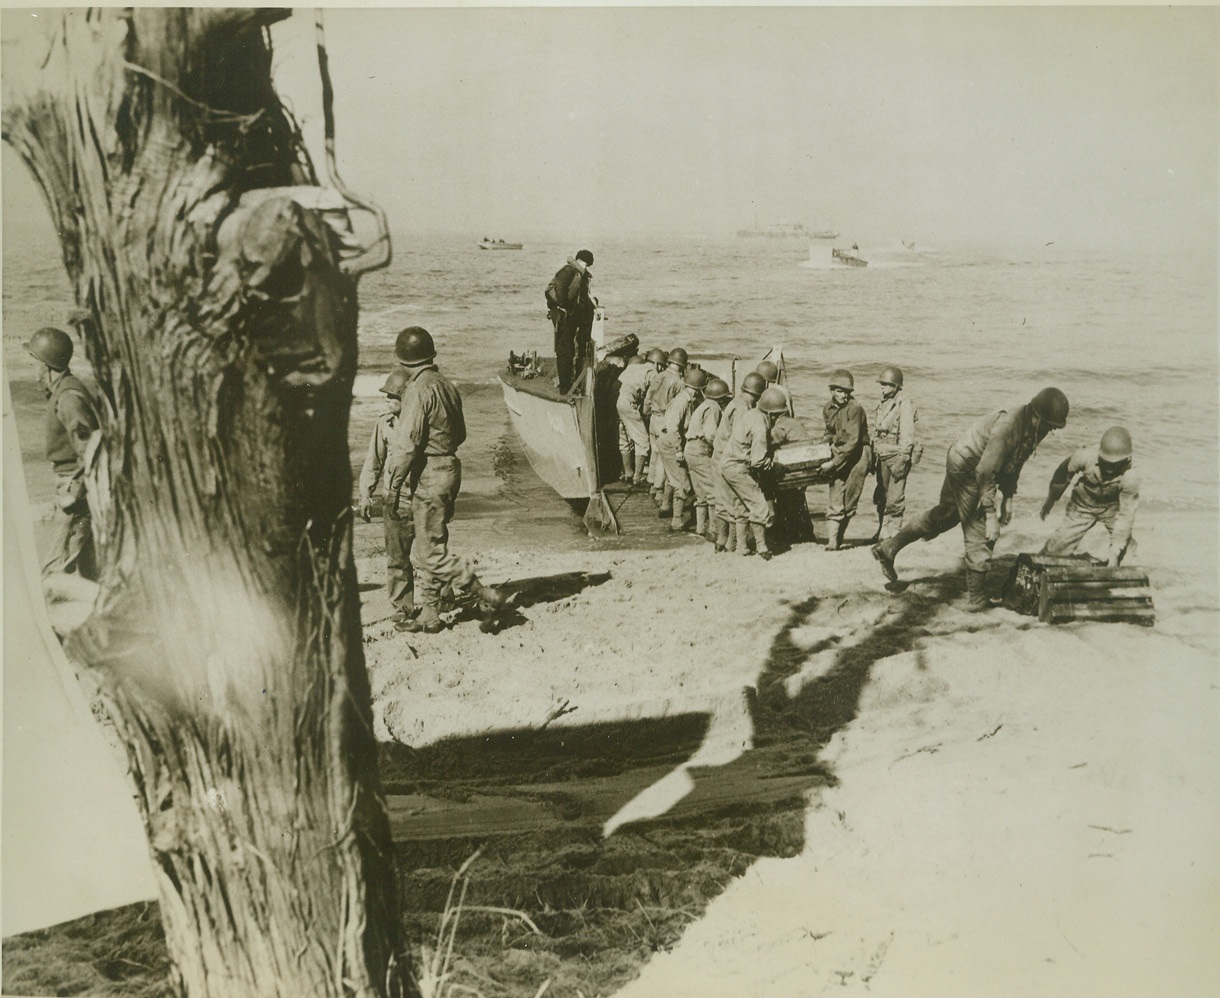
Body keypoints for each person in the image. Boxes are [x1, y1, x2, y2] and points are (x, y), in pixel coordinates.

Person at [872, 387, 1070, 611]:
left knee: (945, 516)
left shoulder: (1035, 427)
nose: (1051, 431)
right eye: (1050, 426)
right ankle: (976, 599)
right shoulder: (1009, 427)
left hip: (964, 458)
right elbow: (985, 472)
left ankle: (888, 548)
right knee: (981, 529)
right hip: (968, 466)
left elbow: (1015, 460)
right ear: (1037, 417)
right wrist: (990, 513)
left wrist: (1008, 497)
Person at [385, 326, 503, 633]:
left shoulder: (417, 389)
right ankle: (430, 613)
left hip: (430, 474)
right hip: (450, 467)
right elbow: (460, 433)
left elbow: (408, 443)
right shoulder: (447, 385)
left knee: (429, 551)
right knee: (431, 541)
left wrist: (393, 488)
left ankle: (483, 593)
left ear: (405, 361)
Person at [25, 326, 99, 580]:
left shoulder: (68, 397)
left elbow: (90, 447)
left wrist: (77, 488)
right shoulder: (61, 391)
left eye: (36, 363)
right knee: (85, 563)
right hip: (74, 488)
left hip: (76, 491)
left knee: (56, 565)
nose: (34, 371)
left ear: (48, 366)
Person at [357, 368, 416, 623]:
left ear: (406, 398)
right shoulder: (384, 423)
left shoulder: (419, 424)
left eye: (392, 395)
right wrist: (365, 494)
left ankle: (442, 600)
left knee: (430, 554)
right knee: (397, 558)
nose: (387, 399)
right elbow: (374, 461)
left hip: (421, 497)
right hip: (395, 499)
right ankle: (403, 607)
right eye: (386, 395)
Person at [1039, 426, 1139, 566]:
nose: (1109, 468)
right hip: (1083, 504)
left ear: (1126, 460)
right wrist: (1051, 500)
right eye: (1106, 462)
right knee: (1055, 550)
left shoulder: (1130, 476)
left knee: (1128, 554)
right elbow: (1063, 475)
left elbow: (1126, 516)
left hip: (1111, 508)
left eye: (1114, 464)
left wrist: (1116, 552)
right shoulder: (1086, 456)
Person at [721, 386, 788, 560]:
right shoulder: (760, 427)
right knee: (759, 505)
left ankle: (740, 547)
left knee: (741, 506)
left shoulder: (751, 414)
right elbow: (758, 461)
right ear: (771, 414)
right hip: (738, 467)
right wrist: (774, 466)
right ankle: (762, 547)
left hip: (728, 464)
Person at [711, 371, 766, 552]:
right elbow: (740, 439)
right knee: (737, 504)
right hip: (729, 460)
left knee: (724, 503)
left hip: (720, 457)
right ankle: (735, 545)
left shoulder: (736, 402)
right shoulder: (743, 409)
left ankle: (723, 542)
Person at [819, 370, 871, 551]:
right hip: (839, 452)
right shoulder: (827, 408)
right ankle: (832, 541)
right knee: (835, 493)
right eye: (840, 391)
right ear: (832, 390)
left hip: (858, 455)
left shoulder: (855, 408)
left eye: (847, 391)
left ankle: (839, 537)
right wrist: (823, 449)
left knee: (850, 499)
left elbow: (853, 441)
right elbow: (829, 433)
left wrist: (833, 463)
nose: (844, 395)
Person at [871, 365, 918, 541]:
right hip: (883, 455)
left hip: (897, 456)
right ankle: (882, 532)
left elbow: (907, 436)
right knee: (882, 495)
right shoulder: (883, 403)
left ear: (896, 386)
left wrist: (903, 459)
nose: (882, 387)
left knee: (895, 498)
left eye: (886, 384)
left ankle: (894, 534)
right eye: (881, 384)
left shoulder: (904, 405)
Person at [659, 366, 708, 531]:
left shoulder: (685, 399)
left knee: (672, 476)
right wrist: (678, 449)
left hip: (670, 441)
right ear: (696, 390)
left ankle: (665, 506)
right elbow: (672, 428)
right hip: (671, 442)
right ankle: (677, 521)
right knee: (682, 484)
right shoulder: (682, 402)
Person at [685, 377, 731, 542]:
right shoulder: (713, 408)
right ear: (721, 398)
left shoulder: (703, 405)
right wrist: (720, 449)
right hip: (701, 449)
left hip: (690, 449)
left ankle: (700, 528)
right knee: (713, 491)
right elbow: (710, 433)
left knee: (700, 493)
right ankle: (714, 530)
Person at [545, 249, 595, 393]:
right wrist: (564, 306)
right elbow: (560, 289)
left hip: (572, 315)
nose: (586, 267)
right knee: (565, 348)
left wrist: (593, 309)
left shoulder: (581, 274)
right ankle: (565, 385)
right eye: (585, 263)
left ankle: (570, 381)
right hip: (564, 314)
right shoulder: (568, 270)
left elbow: (583, 296)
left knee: (571, 348)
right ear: (579, 260)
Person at [645, 347, 688, 514]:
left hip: (653, 418)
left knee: (655, 452)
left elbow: (648, 398)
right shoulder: (679, 382)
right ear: (682, 365)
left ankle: (652, 486)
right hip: (665, 420)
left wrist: (647, 413)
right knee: (664, 458)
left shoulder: (658, 376)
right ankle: (658, 491)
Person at [615, 354, 652, 485]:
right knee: (642, 441)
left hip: (620, 402)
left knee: (624, 439)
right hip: (630, 404)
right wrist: (646, 415)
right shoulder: (651, 371)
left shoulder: (632, 368)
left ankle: (628, 472)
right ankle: (638, 477)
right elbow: (649, 398)